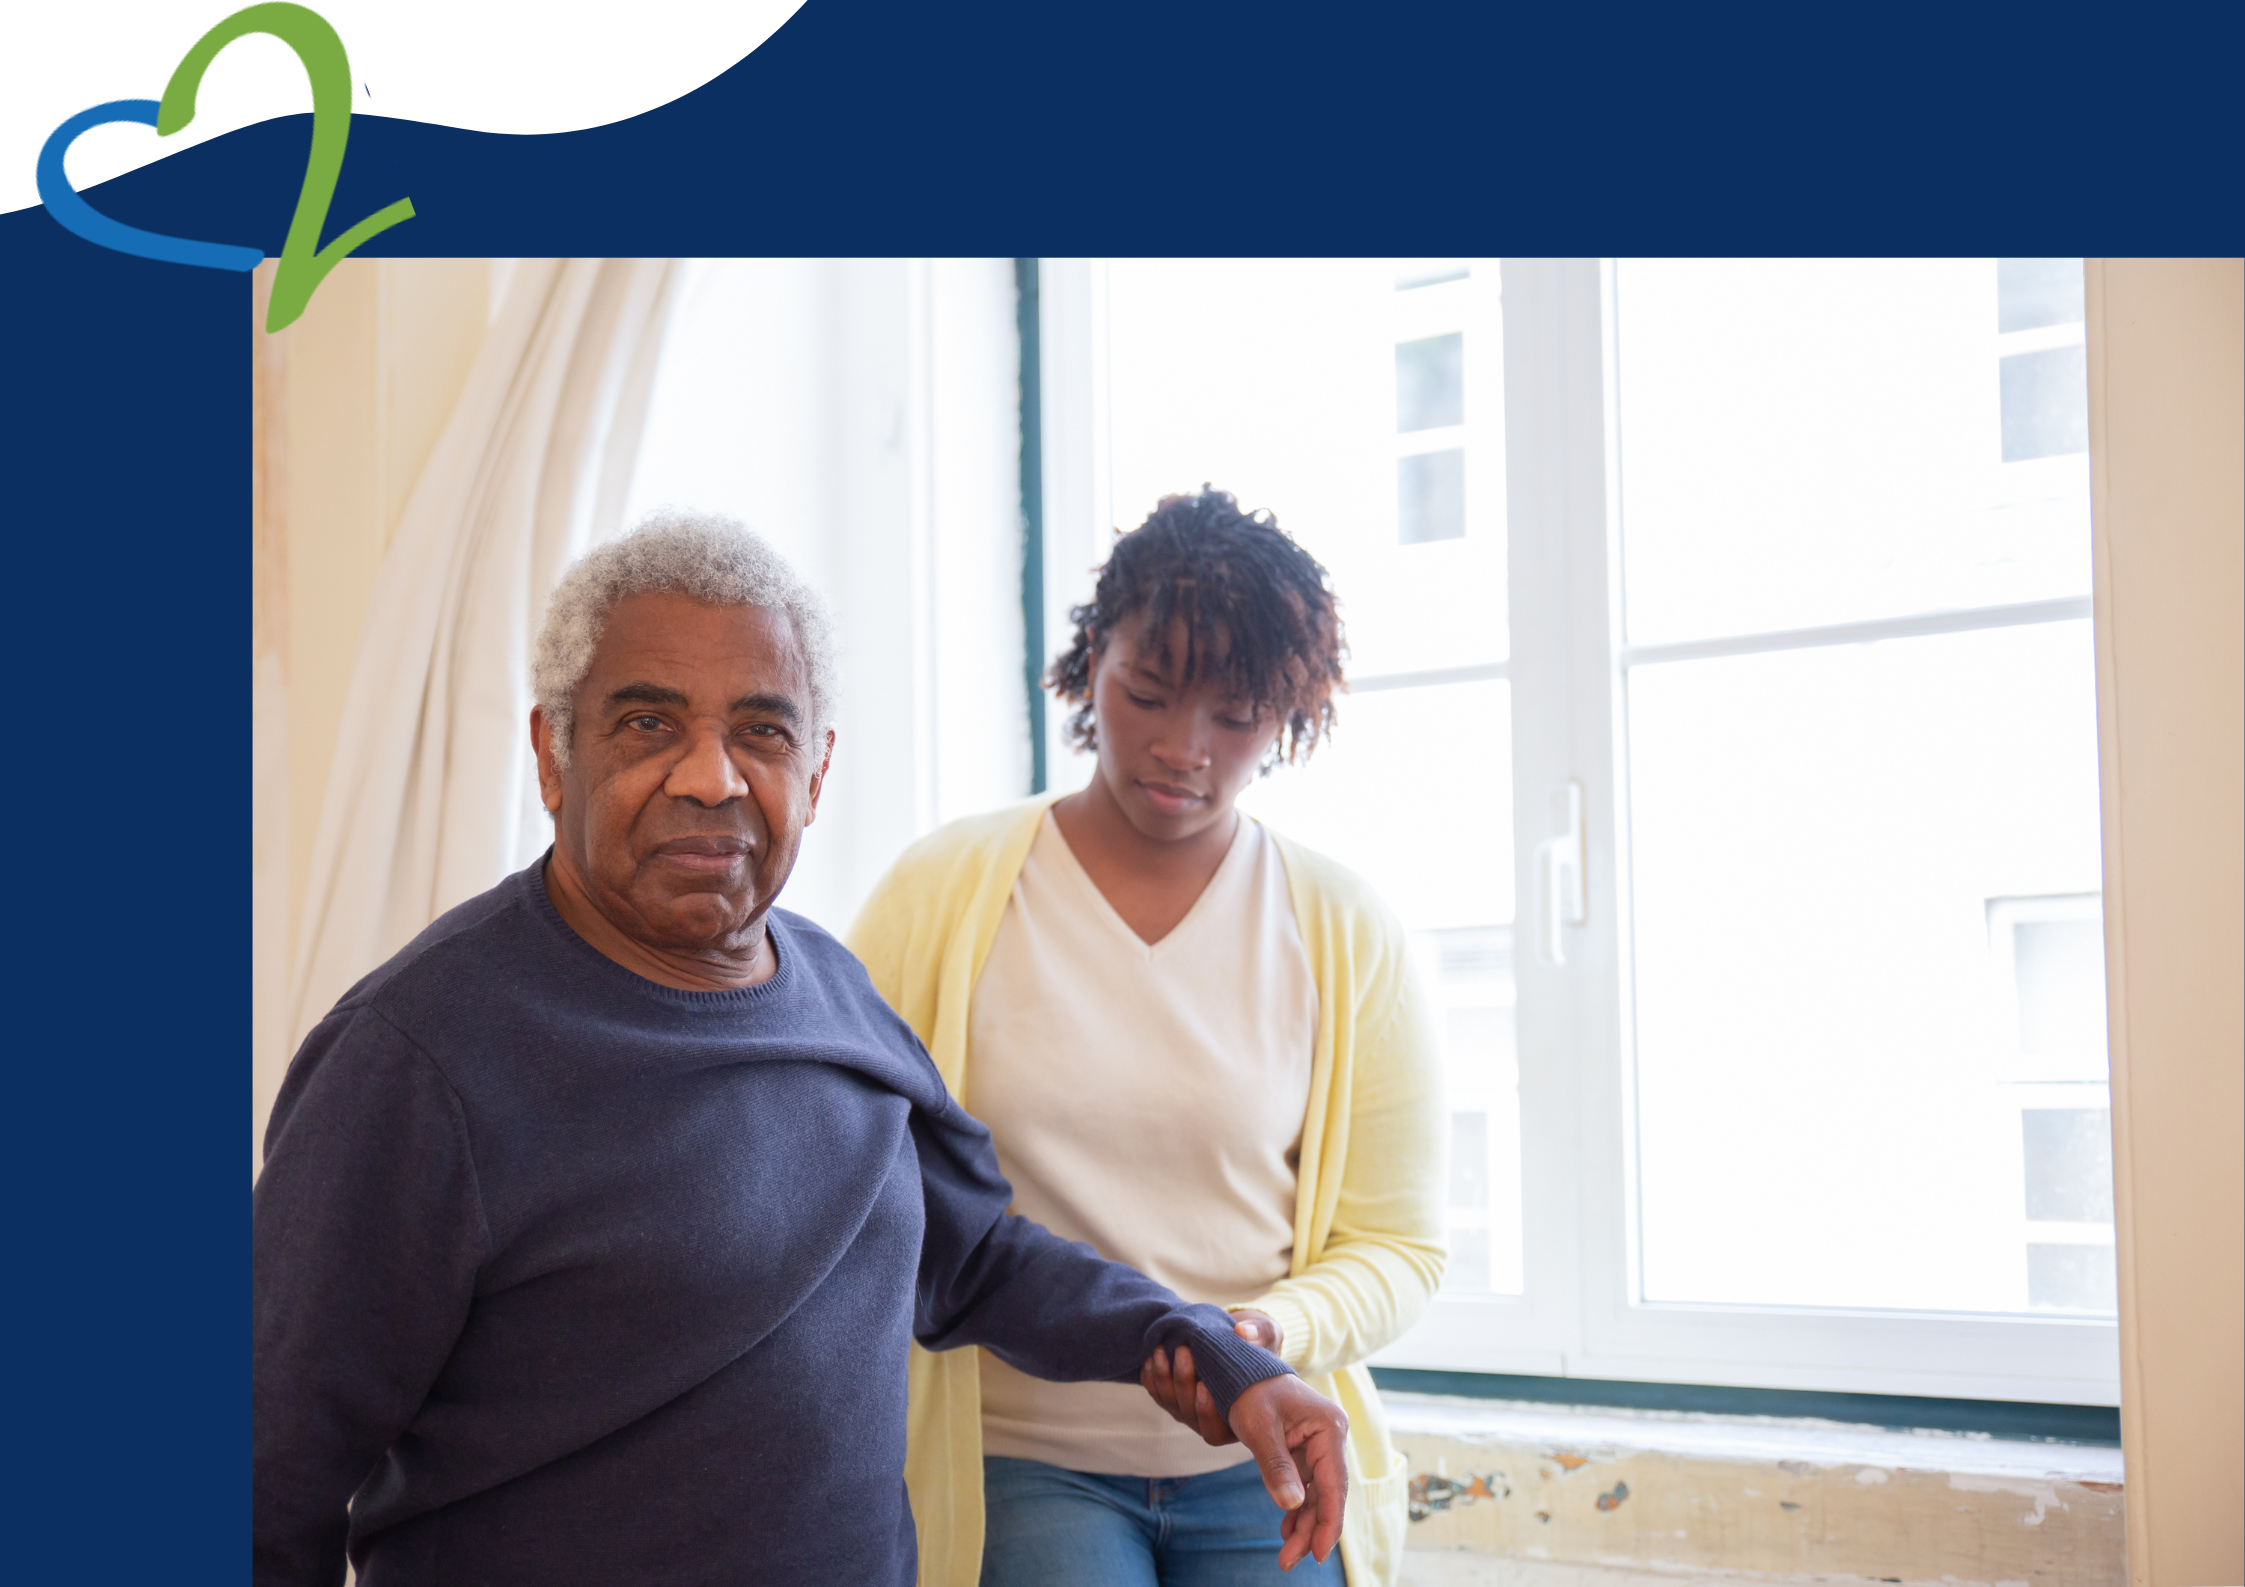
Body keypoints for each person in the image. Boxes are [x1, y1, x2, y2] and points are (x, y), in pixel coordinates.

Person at [252, 510, 1352, 1587]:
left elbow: (973, 1260)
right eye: (646, 724)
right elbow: (267, 1479)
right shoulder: (415, 1060)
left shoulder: (833, 992)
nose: (711, 778)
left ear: (815, 774)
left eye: (761, 732)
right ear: (552, 754)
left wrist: (1206, 1346)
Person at [849, 488, 1447, 1587]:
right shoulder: (940, 894)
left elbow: (1399, 1245)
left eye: (1234, 717)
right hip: (1021, 1453)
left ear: (1292, 712)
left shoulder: (1343, 929)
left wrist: (1261, 1335)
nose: (1183, 750)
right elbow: (854, 1175)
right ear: (1092, 662)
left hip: (1264, 1449)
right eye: (1148, 694)